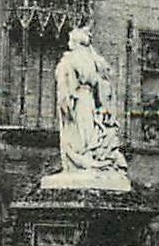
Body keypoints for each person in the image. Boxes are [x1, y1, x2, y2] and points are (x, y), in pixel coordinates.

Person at [54, 26, 127, 176]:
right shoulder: (81, 60)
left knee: (85, 132)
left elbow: (103, 76)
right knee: (85, 132)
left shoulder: (79, 59)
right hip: (84, 100)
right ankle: (88, 158)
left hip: (84, 99)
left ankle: (88, 159)